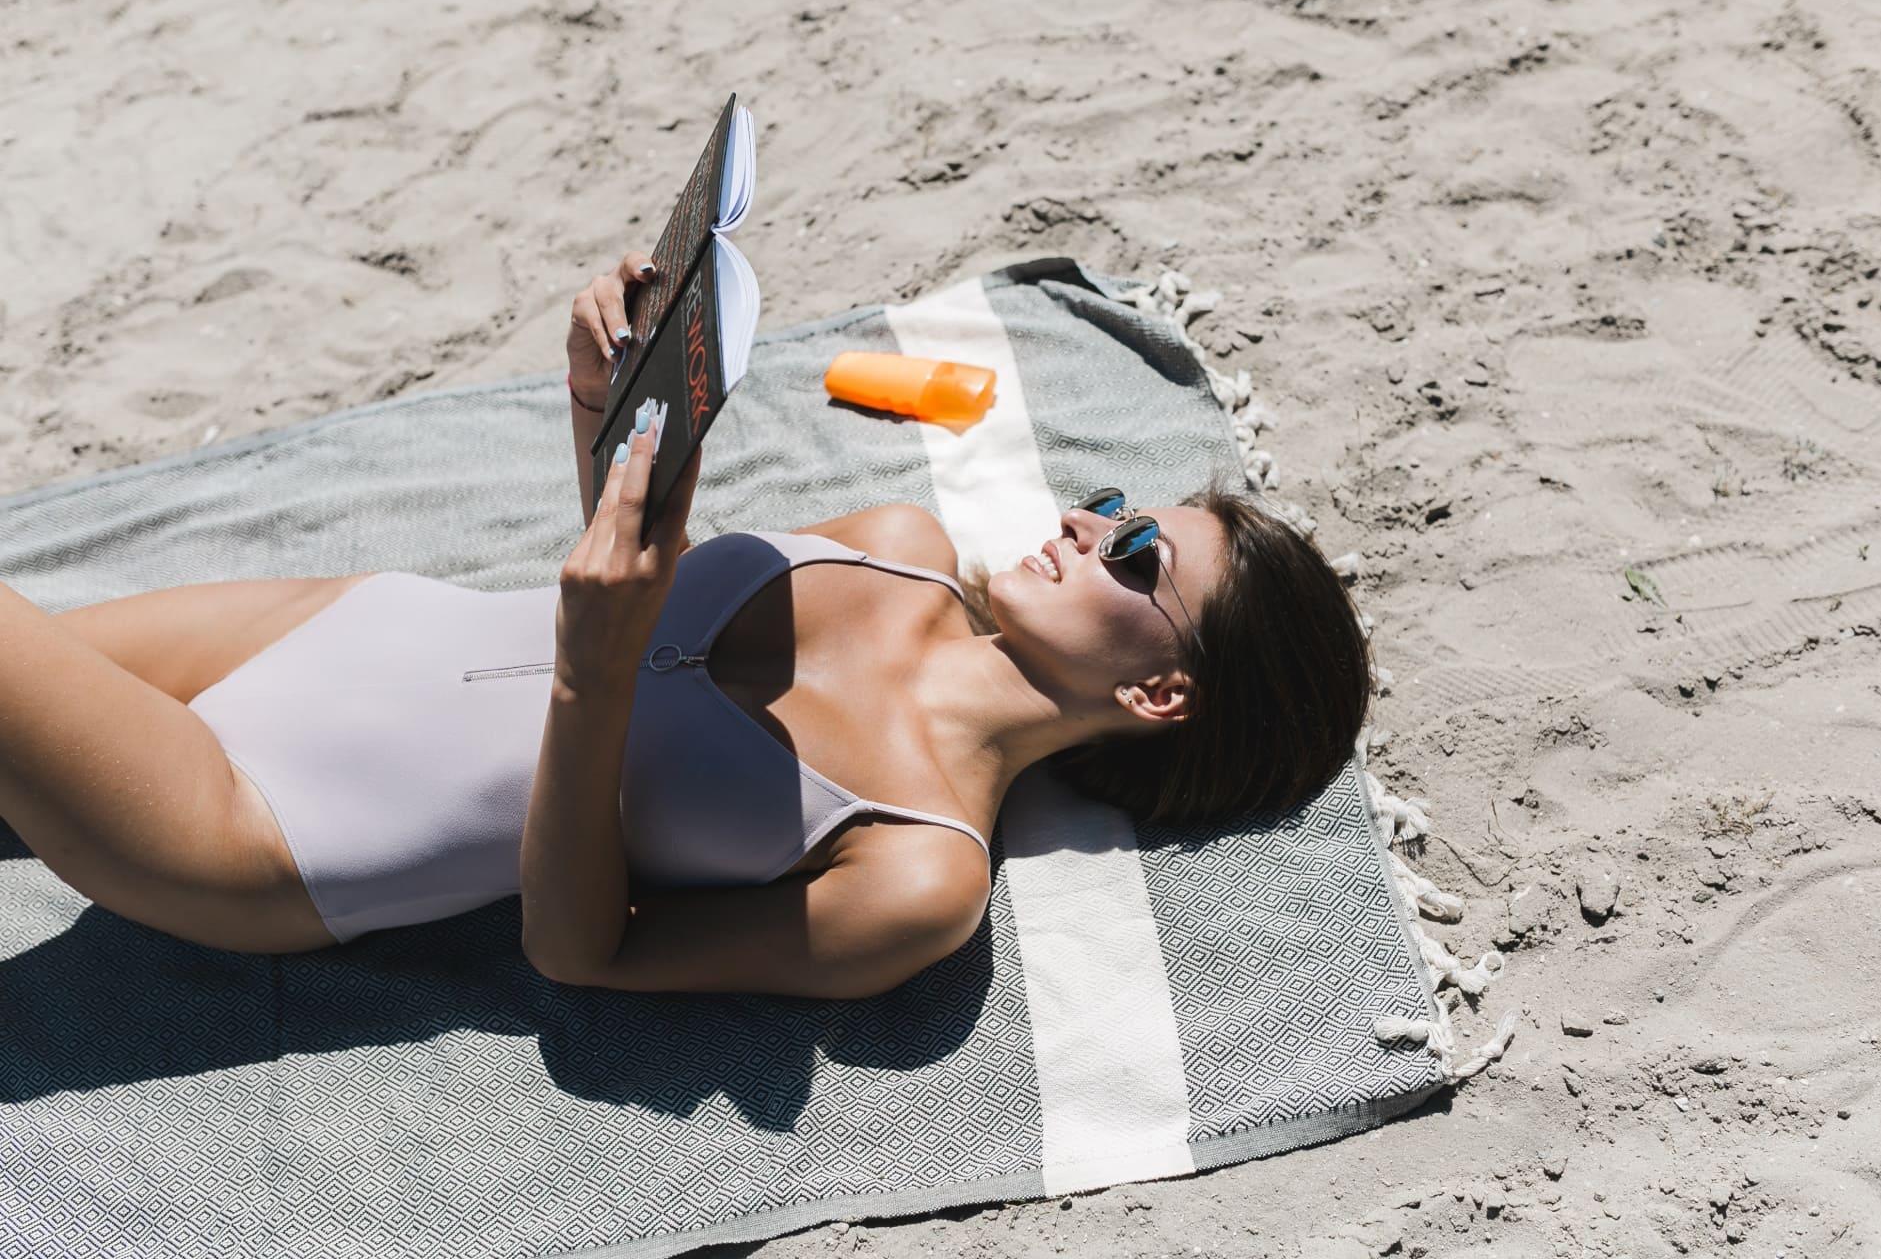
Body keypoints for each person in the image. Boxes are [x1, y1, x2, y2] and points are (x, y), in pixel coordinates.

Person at [0, 251, 1373, 999]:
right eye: (1115, 506)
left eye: (1136, 555)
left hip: (269, 825)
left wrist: (592, 686)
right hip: (327, 627)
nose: (1086, 524)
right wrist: (610, 411)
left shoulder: (918, 876)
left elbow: (579, 955)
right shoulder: (899, 546)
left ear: (1159, 698)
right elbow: (634, 556)